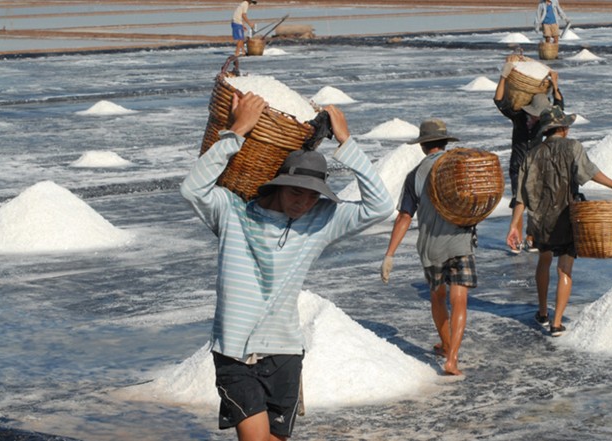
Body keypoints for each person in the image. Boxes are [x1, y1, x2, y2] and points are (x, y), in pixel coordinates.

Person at [180, 92, 393, 441]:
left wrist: (346, 141)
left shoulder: (321, 221)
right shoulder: (233, 212)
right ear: (278, 184)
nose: (303, 201)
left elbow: (381, 206)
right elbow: (193, 189)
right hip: (234, 352)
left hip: (285, 353)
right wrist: (237, 132)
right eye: (296, 191)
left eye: (312, 194)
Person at [506, 106, 612, 337]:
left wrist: (515, 224)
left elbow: (521, 194)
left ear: (545, 130)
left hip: (539, 220)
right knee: (565, 268)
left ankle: (542, 312)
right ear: (563, 128)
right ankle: (556, 324)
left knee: (543, 262)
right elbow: (590, 171)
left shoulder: (532, 153)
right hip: (566, 218)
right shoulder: (572, 147)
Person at [380, 119, 475, 376]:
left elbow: (404, 217)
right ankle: (452, 357)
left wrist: (389, 254)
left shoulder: (414, 175)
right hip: (460, 241)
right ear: (444, 143)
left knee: (438, 297)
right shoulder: (458, 166)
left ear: (423, 146)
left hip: (430, 246)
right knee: (460, 301)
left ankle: (445, 344)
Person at [494, 59, 563, 253]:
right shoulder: (518, 117)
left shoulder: (545, 122)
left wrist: (555, 84)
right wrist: (504, 76)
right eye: (535, 114)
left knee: (537, 202)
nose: (537, 118)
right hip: (519, 165)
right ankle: (514, 237)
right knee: (519, 200)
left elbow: (559, 104)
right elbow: (499, 101)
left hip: (538, 166)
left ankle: (531, 238)